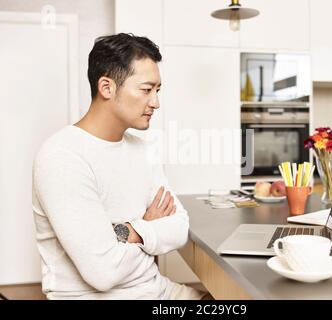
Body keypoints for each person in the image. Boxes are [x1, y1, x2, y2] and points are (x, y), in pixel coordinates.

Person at [32, 33, 208, 300]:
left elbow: (179, 227)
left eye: (158, 91)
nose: (156, 102)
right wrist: (150, 230)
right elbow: (103, 273)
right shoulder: (62, 157)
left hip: (157, 290)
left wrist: (131, 231)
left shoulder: (143, 148)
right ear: (107, 88)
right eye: (146, 90)